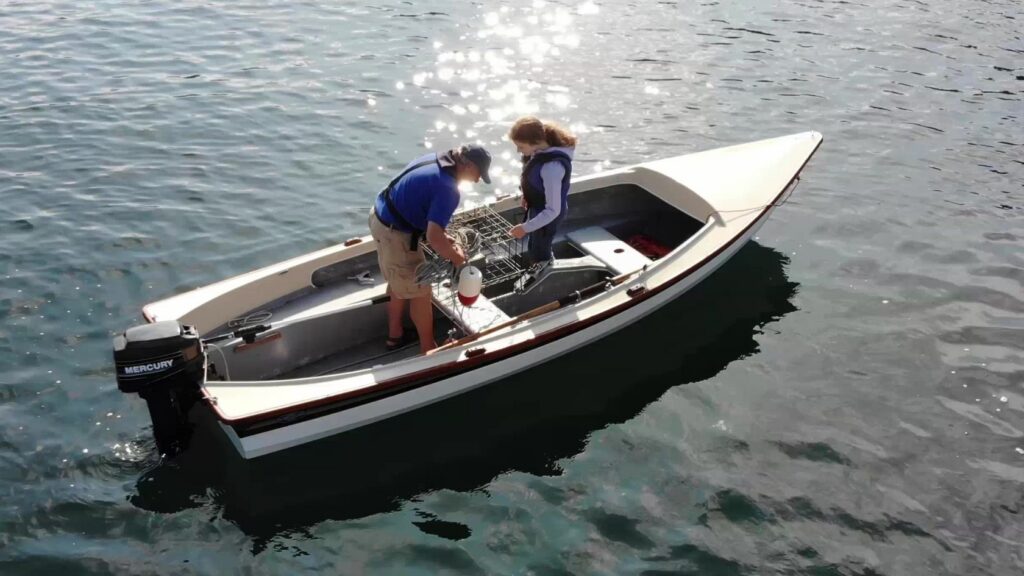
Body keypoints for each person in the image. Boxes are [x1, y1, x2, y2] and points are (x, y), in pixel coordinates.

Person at [369, 144, 492, 353]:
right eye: (478, 174)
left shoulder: (435, 159)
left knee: (398, 282)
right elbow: (434, 238)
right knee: (421, 291)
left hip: (380, 219)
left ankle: (395, 335)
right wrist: (457, 258)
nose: (478, 180)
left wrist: (442, 237)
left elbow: (422, 207)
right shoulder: (448, 189)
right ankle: (429, 349)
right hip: (396, 235)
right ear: (468, 165)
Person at [507, 116, 577, 264]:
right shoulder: (539, 150)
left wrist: (525, 228)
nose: (518, 150)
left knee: (540, 251)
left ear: (534, 142)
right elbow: (534, 179)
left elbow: (553, 210)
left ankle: (547, 272)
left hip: (548, 214)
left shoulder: (552, 168)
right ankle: (539, 268)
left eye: (521, 146)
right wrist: (527, 195)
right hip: (538, 207)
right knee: (533, 245)